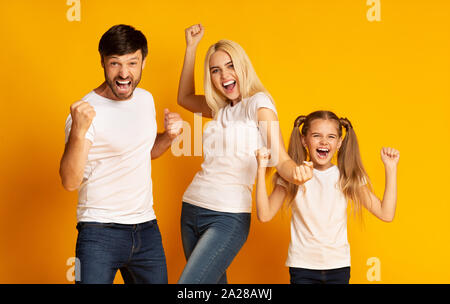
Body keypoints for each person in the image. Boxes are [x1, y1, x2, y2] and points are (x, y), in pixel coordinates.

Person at [176, 24, 312, 284]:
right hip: (191, 207)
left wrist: (297, 172)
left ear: (242, 67)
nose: (224, 75)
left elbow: (280, 158)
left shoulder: (259, 104)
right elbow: (184, 97)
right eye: (215, 70)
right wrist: (191, 48)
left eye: (230, 66)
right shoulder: (219, 108)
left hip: (227, 216)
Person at [59, 24, 182, 284]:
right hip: (98, 231)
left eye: (132, 63)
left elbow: (143, 153)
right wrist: (79, 132)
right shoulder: (85, 111)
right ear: (103, 62)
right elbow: (70, 181)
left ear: (143, 62)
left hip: (147, 228)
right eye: (115, 63)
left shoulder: (145, 99)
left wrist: (168, 137)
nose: (124, 73)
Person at [255, 110, 400, 284]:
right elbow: (264, 215)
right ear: (304, 140)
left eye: (331, 137)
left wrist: (391, 169)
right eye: (316, 135)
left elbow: (386, 214)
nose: (324, 141)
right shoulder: (293, 175)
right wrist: (261, 168)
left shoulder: (346, 176)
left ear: (339, 142)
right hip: (302, 267)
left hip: (338, 267)